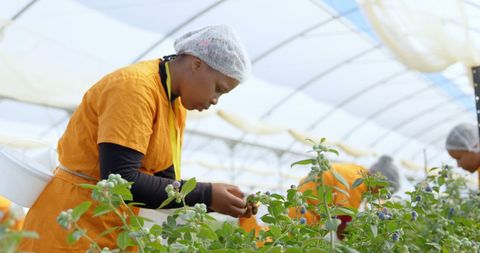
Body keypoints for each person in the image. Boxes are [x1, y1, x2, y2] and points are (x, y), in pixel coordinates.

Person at [19, 25, 253, 252]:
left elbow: (165, 185)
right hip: (72, 227)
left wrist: (219, 202)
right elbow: (121, 181)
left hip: (113, 230)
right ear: (197, 64)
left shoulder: (173, 104)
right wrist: (207, 194)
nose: (215, 100)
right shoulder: (135, 89)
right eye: (218, 89)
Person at [239, 155, 400, 240]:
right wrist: (355, 244)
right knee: (284, 241)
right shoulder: (356, 183)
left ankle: (248, 223)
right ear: (380, 181)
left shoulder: (357, 172)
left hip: (304, 204)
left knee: (280, 234)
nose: (381, 195)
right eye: (385, 190)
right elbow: (344, 222)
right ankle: (247, 222)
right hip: (306, 211)